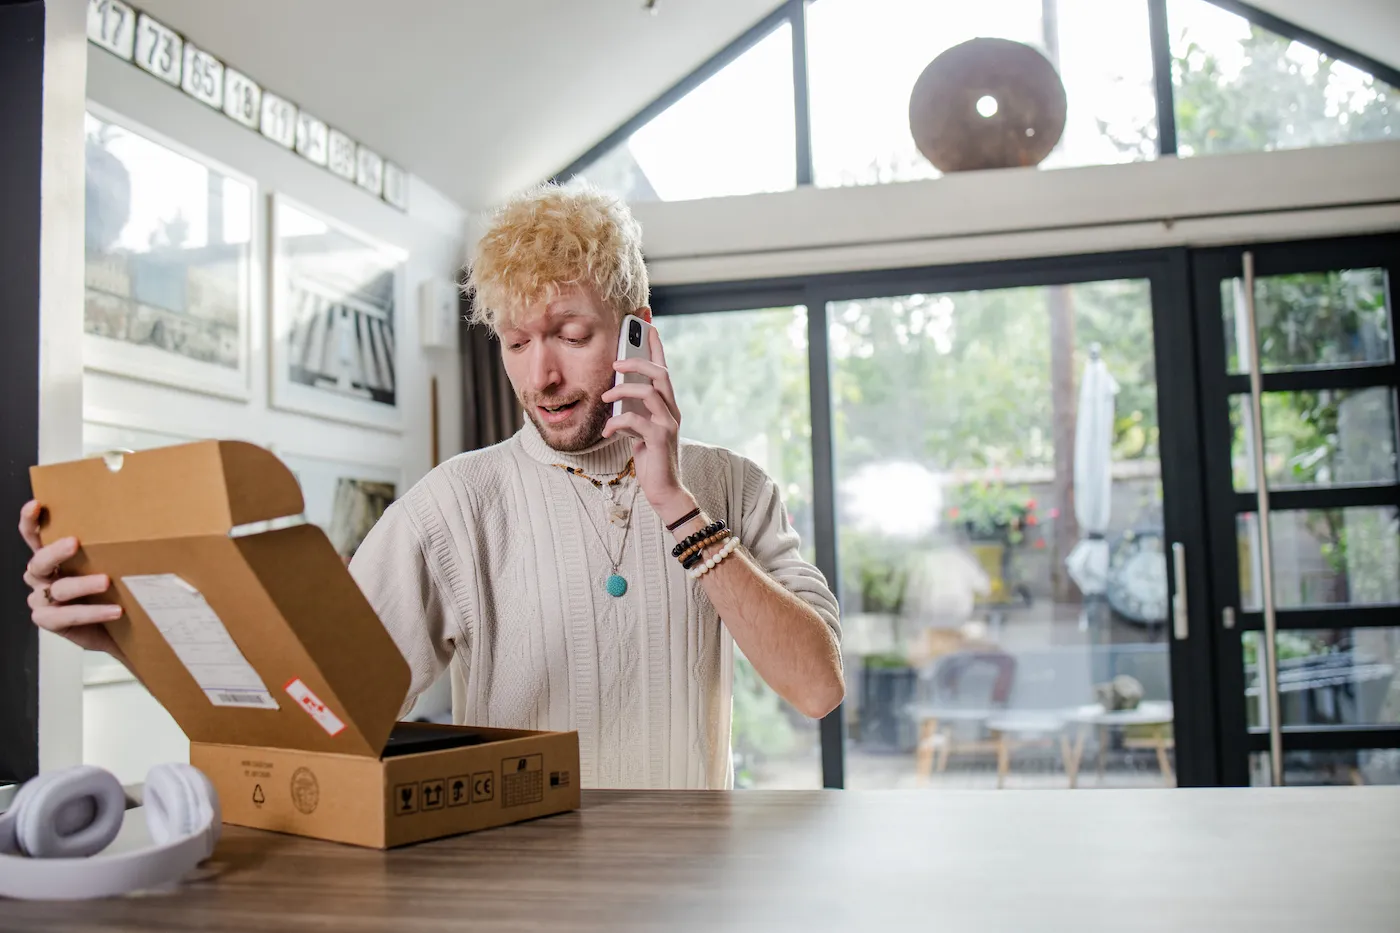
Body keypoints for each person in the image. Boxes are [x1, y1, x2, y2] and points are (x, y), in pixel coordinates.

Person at [18, 182, 843, 790]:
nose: (542, 374)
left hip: (693, 888)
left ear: (637, 333)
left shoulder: (730, 487)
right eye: (516, 342)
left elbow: (817, 685)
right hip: (516, 889)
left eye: (569, 333)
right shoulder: (453, 507)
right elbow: (320, 706)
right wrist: (133, 630)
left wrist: (674, 503)